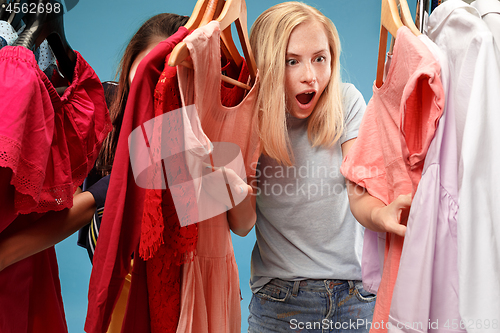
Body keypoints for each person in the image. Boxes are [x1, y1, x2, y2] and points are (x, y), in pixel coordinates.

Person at [242, 2, 411, 332]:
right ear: (268, 65)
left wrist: (380, 215)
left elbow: (358, 190)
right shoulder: (252, 119)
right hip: (281, 302)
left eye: (320, 58)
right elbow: (242, 223)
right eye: (292, 61)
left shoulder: (346, 101)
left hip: (355, 299)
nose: (310, 76)